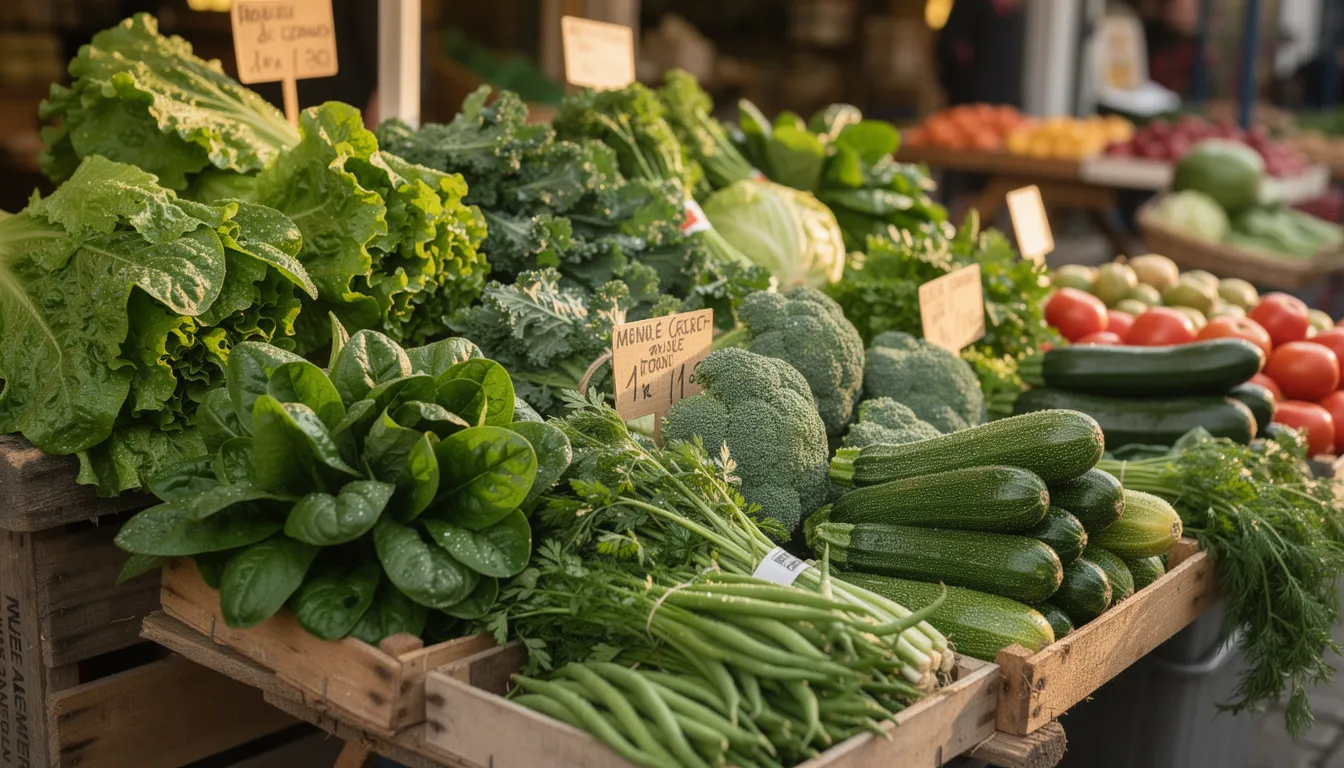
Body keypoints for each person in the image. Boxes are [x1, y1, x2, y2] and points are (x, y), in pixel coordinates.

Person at [934, 0, 1027, 109]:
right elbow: (947, 50)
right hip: (969, 102)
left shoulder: (1017, 19)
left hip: (1007, 104)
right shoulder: (967, 8)